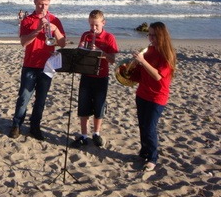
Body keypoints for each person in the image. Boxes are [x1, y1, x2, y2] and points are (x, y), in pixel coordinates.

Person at [8, 0, 66, 141]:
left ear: (49, 4)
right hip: (30, 65)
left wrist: (56, 30)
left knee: (41, 99)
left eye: (46, 4)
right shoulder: (27, 20)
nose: (42, 7)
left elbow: (63, 43)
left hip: (47, 66)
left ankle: (35, 127)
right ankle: (16, 125)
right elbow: (23, 42)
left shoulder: (54, 19)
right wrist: (38, 29)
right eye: (40, 4)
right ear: (34, 2)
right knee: (23, 98)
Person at [127, 22, 176, 171]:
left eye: (154, 35)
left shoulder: (167, 54)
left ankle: (153, 158)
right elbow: (139, 76)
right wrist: (133, 65)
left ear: (162, 36)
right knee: (142, 125)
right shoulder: (148, 51)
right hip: (142, 93)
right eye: (149, 34)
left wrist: (142, 61)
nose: (151, 38)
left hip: (157, 96)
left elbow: (157, 76)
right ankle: (144, 152)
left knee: (149, 127)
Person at [71, 10, 118, 148]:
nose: (93, 28)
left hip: (101, 77)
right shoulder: (86, 35)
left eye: (96, 25)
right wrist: (82, 50)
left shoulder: (109, 37)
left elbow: (113, 60)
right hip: (86, 75)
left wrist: (99, 51)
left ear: (103, 23)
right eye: (91, 25)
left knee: (99, 106)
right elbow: (79, 55)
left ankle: (96, 133)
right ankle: (84, 135)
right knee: (83, 106)